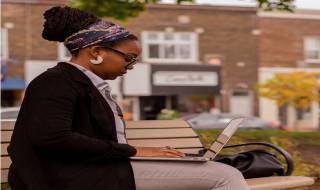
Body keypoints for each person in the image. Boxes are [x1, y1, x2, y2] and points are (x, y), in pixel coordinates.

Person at [7, 6, 249, 190]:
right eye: (129, 58)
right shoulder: (56, 82)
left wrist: (141, 153)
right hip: (68, 176)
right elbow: (52, 139)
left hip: (98, 168)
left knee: (215, 172)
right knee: (226, 176)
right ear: (96, 51)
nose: (131, 66)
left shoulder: (87, 84)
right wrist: (133, 151)